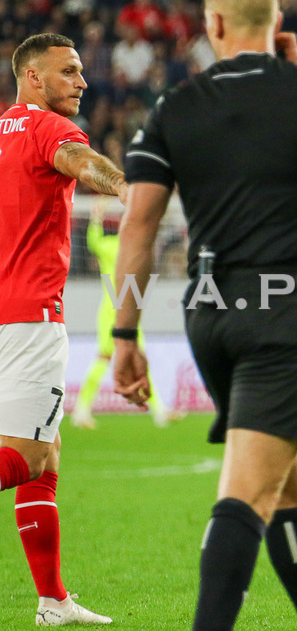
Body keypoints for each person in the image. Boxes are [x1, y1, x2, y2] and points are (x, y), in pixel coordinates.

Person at [110, 0, 297, 630]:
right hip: (280, 313)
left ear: (213, 22)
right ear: (276, 22)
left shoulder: (174, 106)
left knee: (285, 493)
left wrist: (124, 335)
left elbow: (139, 226)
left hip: (208, 313)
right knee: (246, 496)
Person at [0, 32, 127, 626]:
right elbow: (83, 162)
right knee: (27, 458)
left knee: (47, 454)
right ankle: (53, 601)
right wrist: (127, 187)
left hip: (7, 312)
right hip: (29, 318)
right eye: (69, 71)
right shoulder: (48, 128)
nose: (82, 81)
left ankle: (53, 602)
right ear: (32, 78)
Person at [73, 196, 174, 429]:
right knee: (106, 358)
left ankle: (159, 411)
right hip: (114, 311)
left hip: (124, 309)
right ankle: (81, 410)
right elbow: (96, 242)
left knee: (133, 357)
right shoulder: (127, 247)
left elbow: (93, 241)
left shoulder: (114, 245)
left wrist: (95, 217)